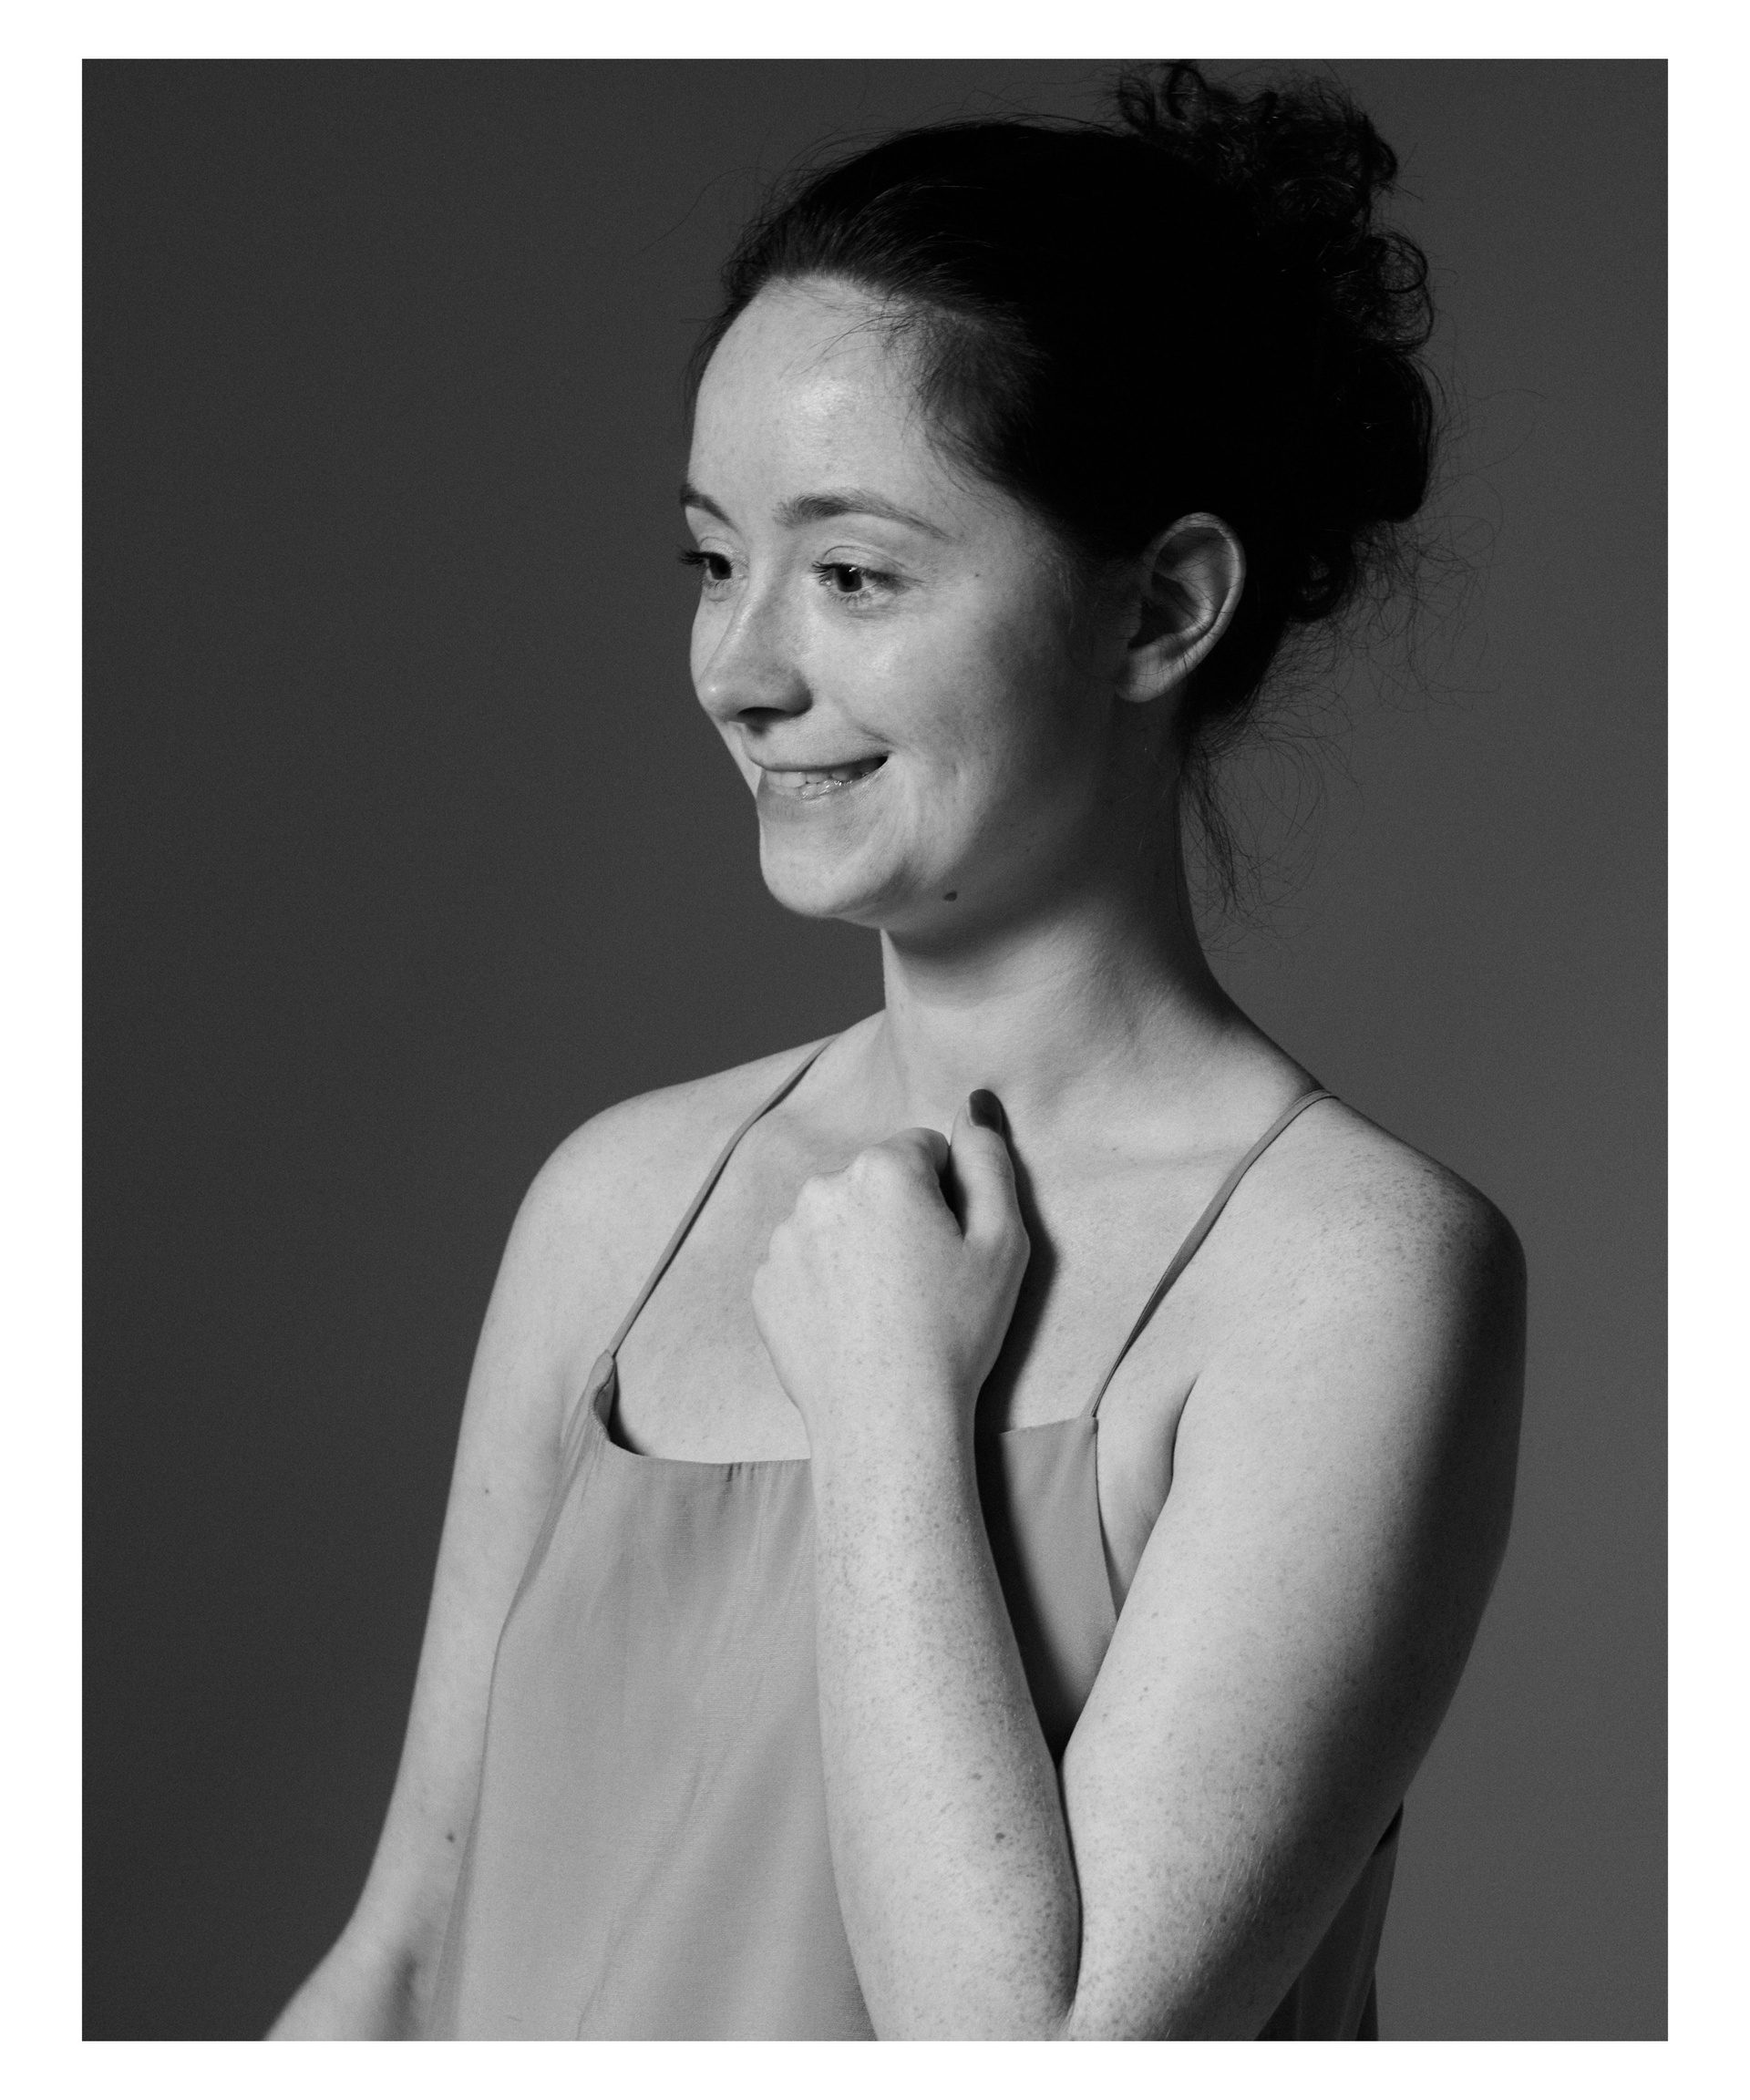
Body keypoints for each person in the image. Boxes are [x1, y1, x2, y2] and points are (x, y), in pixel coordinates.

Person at [270, 62, 1524, 2042]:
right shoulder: (620, 1201)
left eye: (852, 573)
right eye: (715, 558)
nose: (739, 667)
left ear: (1164, 609)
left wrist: (886, 1406)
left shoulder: (1349, 1278)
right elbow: (403, 1963)